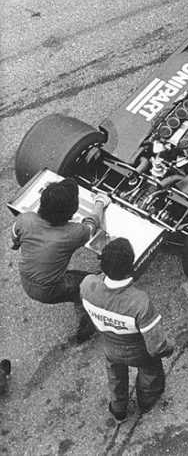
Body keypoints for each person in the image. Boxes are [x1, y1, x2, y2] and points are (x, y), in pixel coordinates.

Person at [80, 238, 174, 422]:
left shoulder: (87, 284)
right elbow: (156, 347)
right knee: (149, 372)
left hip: (110, 347)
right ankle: (146, 403)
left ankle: (118, 410)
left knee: (115, 377)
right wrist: (170, 346)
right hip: (139, 352)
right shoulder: (140, 303)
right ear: (131, 267)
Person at [11, 178, 109, 343]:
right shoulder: (73, 233)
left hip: (27, 279)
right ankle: (86, 329)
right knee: (91, 286)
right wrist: (101, 202)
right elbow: (91, 224)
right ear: (72, 211)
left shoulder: (25, 219)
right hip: (50, 288)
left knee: (81, 278)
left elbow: (15, 239)